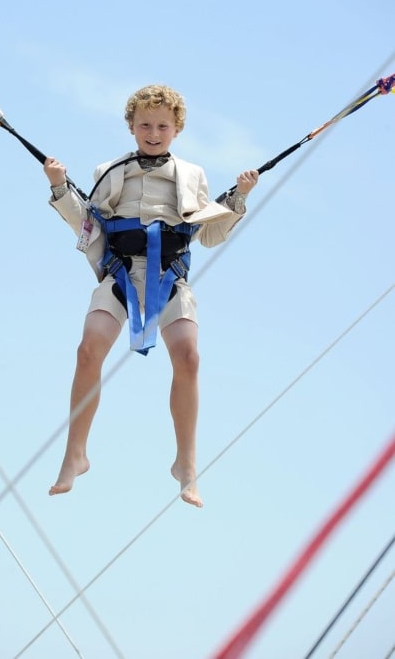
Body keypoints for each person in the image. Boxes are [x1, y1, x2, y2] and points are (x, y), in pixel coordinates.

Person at [43, 84, 258, 507]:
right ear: (131, 127)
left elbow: (210, 234)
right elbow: (88, 224)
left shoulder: (193, 176)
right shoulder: (109, 171)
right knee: (88, 350)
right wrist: (58, 187)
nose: (153, 132)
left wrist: (240, 197)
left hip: (169, 276)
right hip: (122, 275)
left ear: (176, 129)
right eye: (145, 124)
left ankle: (186, 464)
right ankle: (75, 454)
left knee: (189, 357)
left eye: (162, 125)